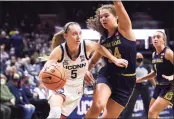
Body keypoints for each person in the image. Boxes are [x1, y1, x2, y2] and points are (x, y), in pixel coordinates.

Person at [40, 21, 125, 118]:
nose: (78, 36)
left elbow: (100, 48)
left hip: (76, 90)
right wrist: (44, 73)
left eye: (80, 33)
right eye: (74, 34)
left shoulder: (86, 45)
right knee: (55, 114)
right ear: (65, 36)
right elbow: (48, 65)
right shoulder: (59, 51)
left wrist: (115, 60)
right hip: (60, 85)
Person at [84, 1, 136, 118]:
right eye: (101, 17)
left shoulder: (125, 30)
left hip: (126, 82)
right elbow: (92, 61)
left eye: (106, 15)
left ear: (116, 16)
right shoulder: (102, 40)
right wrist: (85, 70)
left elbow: (118, 4)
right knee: (98, 106)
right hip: (108, 76)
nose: (103, 19)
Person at [136, 31, 174, 118]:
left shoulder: (168, 53)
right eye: (153, 37)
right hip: (159, 86)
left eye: (158, 37)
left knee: (152, 113)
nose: (155, 39)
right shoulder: (154, 54)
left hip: (170, 87)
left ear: (163, 40)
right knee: (152, 112)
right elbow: (155, 72)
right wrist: (140, 78)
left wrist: (172, 76)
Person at [121, 52, 156, 119]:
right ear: (135, 58)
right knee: (131, 104)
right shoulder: (133, 67)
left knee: (147, 103)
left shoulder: (147, 67)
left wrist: (155, 86)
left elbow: (151, 77)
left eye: (140, 56)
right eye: (137, 56)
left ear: (142, 57)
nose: (139, 57)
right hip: (135, 87)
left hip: (145, 86)